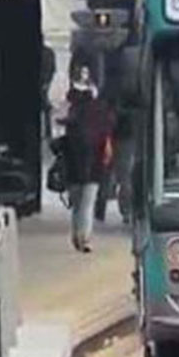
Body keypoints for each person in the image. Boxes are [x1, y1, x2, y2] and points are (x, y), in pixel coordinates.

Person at [64, 67, 112, 252]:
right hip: (94, 167)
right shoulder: (101, 116)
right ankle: (84, 237)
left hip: (73, 167)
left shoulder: (71, 116)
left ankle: (77, 234)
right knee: (87, 204)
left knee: (77, 204)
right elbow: (107, 138)